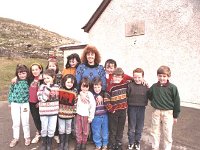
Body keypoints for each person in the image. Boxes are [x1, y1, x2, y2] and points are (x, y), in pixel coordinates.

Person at [147, 65, 180, 150]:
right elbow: (149, 95)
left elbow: (176, 101)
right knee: (154, 131)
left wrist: (175, 115)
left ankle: (167, 148)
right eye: (160, 76)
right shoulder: (154, 87)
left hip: (168, 113)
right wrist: (155, 102)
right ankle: (155, 147)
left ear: (168, 76)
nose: (162, 78)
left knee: (167, 132)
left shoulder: (172, 87)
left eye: (164, 76)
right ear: (157, 76)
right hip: (156, 112)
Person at [11, 63, 44, 144]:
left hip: (39, 102)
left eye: (36, 69)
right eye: (33, 70)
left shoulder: (43, 78)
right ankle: (38, 133)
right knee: (35, 119)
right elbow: (21, 76)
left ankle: (46, 135)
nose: (35, 71)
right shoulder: (29, 79)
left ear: (40, 69)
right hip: (29, 103)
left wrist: (41, 101)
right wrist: (16, 77)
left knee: (43, 119)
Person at [104, 67, 129, 150]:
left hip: (123, 110)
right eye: (115, 76)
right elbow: (106, 100)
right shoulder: (109, 87)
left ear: (122, 77)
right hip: (113, 112)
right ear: (112, 76)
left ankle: (118, 143)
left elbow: (133, 80)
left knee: (120, 128)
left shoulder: (125, 85)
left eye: (119, 76)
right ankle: (112, 144)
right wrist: (111, 109)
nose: (117, 78)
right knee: (113, 129)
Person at [8, 64, 31, 148]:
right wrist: (9, 102)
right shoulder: (14, 81)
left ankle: (27, 137)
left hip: (25, 104)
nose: (22, 75)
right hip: (15, 104)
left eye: (23, 73)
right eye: (20, 73)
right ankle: (15, 138)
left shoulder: (29, 81)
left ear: (27, 73)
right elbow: (11, 91)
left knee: (25, 121)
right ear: (17, 74)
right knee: (16, 122)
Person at [127, 68, 149, 150]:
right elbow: (126, 95)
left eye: (139, 77)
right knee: (131, 127)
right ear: (133, 77)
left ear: (143, 77)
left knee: (139, 126)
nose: (137, 79)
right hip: (131, 108)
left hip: (141, 108)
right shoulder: (130, 85)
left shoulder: (145, 86)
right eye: (135, 77)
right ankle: (131, 142)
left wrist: (148, 85)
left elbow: (149, 95)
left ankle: (137, 142)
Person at [37, 69, 59, 150]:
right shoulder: (41, 87)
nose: (46, 80)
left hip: (53, 112)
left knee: (51, 129)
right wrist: (48, 88)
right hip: (44, 112)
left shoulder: (57, 87)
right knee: (44, 128)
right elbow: (42, 99)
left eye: (48, 78)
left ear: (53, 77)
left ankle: (49, 143)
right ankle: (44, 143)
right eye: (45, 78)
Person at [75, 77, 96, 150]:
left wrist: (91, 117)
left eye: (86, 87)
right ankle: (78, 143)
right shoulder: (78, 94)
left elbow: (93, 106)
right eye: (82, 87)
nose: (84, 89)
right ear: (80, 86)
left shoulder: (90, 95)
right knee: (78, 130)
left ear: (89, 87)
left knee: (86, 131)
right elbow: (76, 104)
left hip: (86, 116)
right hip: (78, 115)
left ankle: (84, 143)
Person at [58, 74, 78, 150]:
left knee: (68, 128)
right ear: (64, 82)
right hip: (61, 113)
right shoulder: (60, 89)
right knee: (61, 128)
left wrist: (74, 112)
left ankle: (66, 142)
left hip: (70, 114)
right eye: (68, 82)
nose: (69, 84)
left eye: (71, 83)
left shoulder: (74, 91)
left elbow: (75, 102)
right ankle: (61, 142)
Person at [46, 56, 61, 143]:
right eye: (50, 66)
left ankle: (56, 134)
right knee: (49, 118)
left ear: (56, 67)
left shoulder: (60, 75)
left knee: (56, 118)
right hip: (47, 101)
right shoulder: (45, 76)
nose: (52, 67)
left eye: (54, 66)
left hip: (57, 99)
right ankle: (48, 135)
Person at [91, 77, 109, 150]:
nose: (97, 89)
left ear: (101, 87)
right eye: (95, 87)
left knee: (105, 131)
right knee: (96, 131)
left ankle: (105, 144)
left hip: (104, 116)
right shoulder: (91, 95)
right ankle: (98, 144)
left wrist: (101, 96)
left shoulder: (104, 94)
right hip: (95, 117)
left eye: (98, 87)